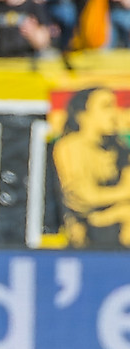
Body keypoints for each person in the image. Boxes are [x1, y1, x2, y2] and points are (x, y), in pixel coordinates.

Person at [52, 86, 130, 247]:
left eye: (114, 106)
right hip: (85, 223)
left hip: (112, 217)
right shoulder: (70, 146)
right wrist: (124, 193)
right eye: (106, 107)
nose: (114, 114)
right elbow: (86, 196)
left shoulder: (118, 147)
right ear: (82, 115)